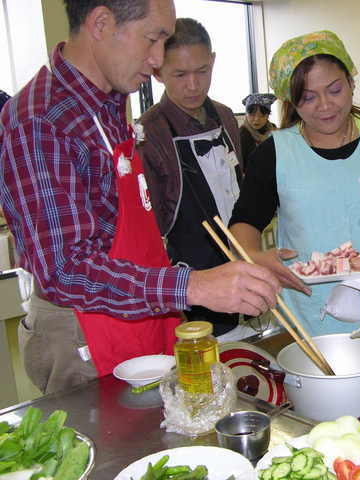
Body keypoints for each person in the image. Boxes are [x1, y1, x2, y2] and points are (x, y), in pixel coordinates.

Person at [0, 0, 279, 394]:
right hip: (84, 333)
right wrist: (193, 287)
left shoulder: (109, 102)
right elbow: (65, 270)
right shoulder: (41, 120)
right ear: (101, 23)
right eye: (153, 39)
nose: (156, 60)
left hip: (146, 313)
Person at [229, 30, 360, 364]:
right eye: (308, 97)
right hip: (313, 309)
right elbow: (244, 222)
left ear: (352, 82)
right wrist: (254, 256)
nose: (325, 105)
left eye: (335, 89)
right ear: (291, 100)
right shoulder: (276, 152)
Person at [139, 18, 254, 340]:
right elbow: (151, 230)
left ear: (213, 61)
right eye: (179, 74)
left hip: (239, 265)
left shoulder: (226, 117)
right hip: (188, 284)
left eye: (202, 71)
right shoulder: (150, 134)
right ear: (158, 71)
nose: (193, 85)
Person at [239, 93, 277, 161]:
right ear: (246, 114)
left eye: (262, 115)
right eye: (252, 114)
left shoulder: (274, 130)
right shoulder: (242, 134)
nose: (257, 119)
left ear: (268, 115)